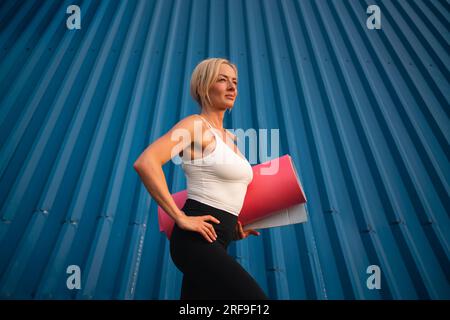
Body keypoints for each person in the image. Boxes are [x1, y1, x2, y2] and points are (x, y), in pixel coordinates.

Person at [133, 58, 268, 300]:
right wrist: (180, 217)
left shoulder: (231, 139)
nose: (232, 87)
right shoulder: (196, 125)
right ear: (204, 87)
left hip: (220, 239)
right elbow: (146, 162)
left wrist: (232, 228)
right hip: (195, 240)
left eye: (235, 82)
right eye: (222, 80)